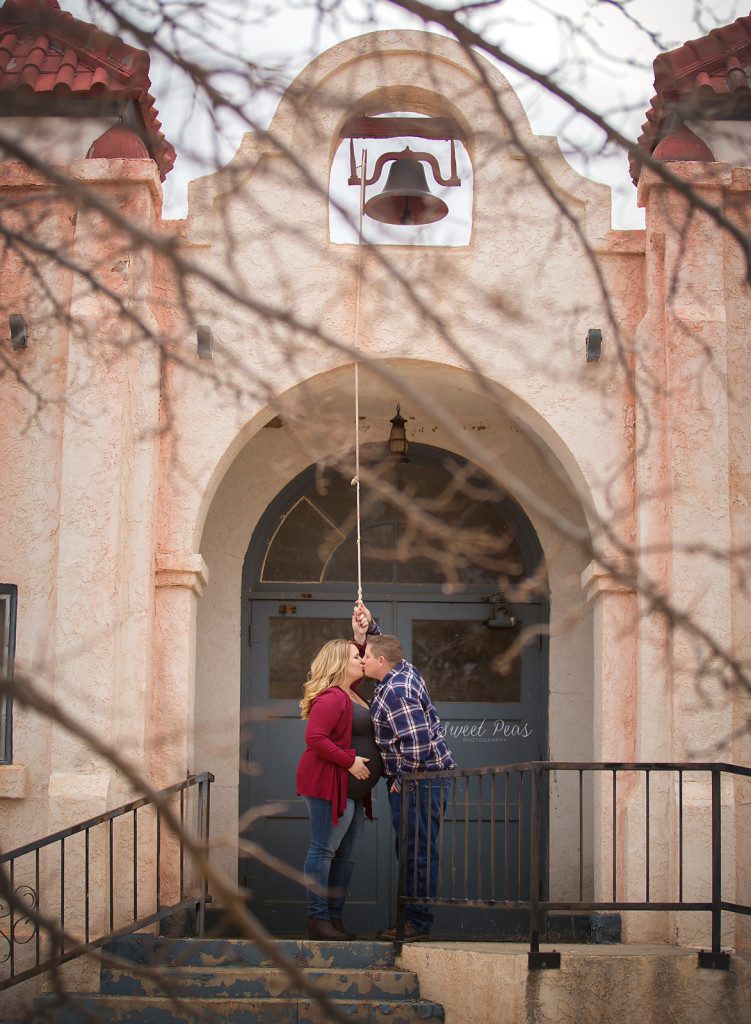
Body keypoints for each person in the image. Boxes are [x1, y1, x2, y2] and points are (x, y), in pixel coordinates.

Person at [353, 602, 456, 941]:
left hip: (420, 783)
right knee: (412, 848)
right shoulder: (401, 669)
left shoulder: (396, 689)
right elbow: (385, 647)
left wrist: (401, 779)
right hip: (423, 782)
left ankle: (415, 923)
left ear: (381, 662)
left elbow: (417, 742)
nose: (362, 658)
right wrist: (370, 626)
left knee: (416, 850)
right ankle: (412, 918)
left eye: (366, 656)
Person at [296, 633, 384, 940]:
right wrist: (349, 761)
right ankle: (317, 920)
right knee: (323, 850)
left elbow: (363, 652)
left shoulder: (354, 694)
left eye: (362, 656)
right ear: (339, 664)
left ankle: (333, 919)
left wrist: (361, 634)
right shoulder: (333, 696)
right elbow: (315, 738)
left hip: (354, 792)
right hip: (329, 784)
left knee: (347, 856)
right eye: (356, 657)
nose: (362, 659)